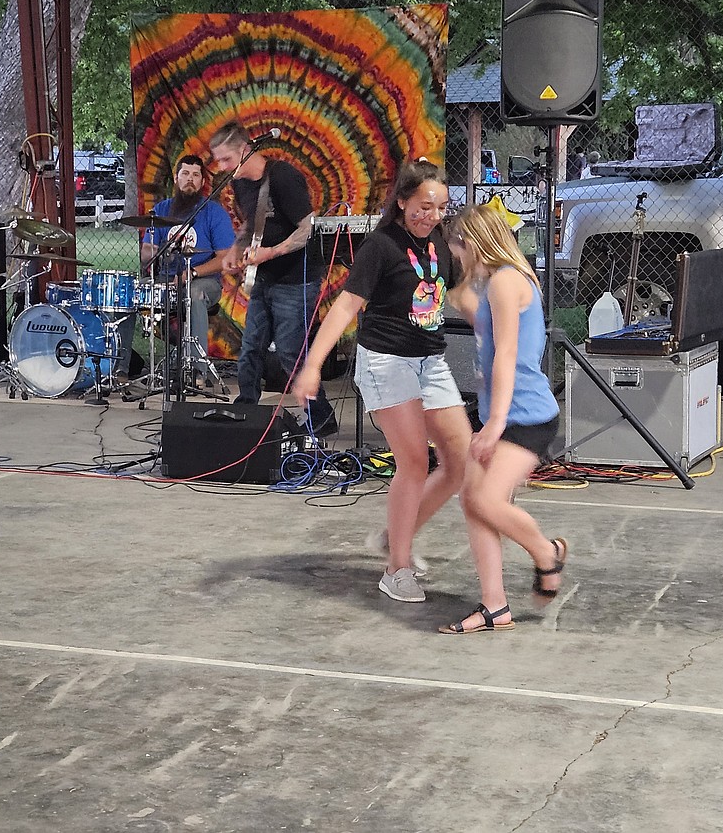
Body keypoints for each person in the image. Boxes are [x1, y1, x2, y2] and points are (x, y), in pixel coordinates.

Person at [293, 160, 472, 603]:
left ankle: (396, 536)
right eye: (423, 206)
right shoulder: (381, 246)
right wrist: (313, 364)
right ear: (403, 200)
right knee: (413, 461)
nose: (431, 215)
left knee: (460, 462)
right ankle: (396, 569)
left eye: (440, 208)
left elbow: (460, 293)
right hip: (385, 361)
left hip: (429, 361)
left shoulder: (439, 245)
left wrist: (500, 329)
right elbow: (345, 305)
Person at [437, 203, 567, 634]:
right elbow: (495, 340)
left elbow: (509, 354)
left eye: (458, 250)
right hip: (505, 410)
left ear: (473, 244)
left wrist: (494, 423)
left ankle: (547, 554)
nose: (457, 259)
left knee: (488, 501)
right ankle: (495, 607)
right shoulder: (500, 281)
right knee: (473, 502)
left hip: (524, 415)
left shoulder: (506, 281)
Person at [209, 120, 336, 434]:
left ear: (244, 149)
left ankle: (321, 418)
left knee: (292, 351)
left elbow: (307, 229)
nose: (222, 166)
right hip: (264, 277)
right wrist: (236, 250)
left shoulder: (282, 177)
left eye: (226, 159)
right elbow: (250, 226)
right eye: (218, 160)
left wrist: (271, 252)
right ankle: (246, 409)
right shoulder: (240, 184)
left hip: (296, 278)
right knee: (251, 345)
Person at [140, 154, 235, 376]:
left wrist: (189, 274)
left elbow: (224, 258)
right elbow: (147, 253)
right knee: (126, 294)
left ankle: (196, 371)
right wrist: (153, 253)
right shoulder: (161, 211)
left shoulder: (213, 213)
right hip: (166, 281)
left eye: (195, 175)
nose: (190, 179)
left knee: (193, 293)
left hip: (205, 281)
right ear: (176, 178)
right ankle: (120, 369)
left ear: (202, 182)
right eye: (185, 174)